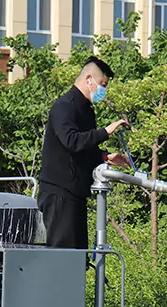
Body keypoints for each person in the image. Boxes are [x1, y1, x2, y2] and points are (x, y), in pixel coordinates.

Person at [38, 56, 131, 252]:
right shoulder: (64, 106)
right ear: (89, 80)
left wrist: (105, 157)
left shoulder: (86, 110)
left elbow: (83, 150)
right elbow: (72, 141)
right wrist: (106, 131)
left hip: (76, 194)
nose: (103, 90)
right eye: (103, 84)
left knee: (79, 256)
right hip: (59, 194)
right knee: (63, 256)